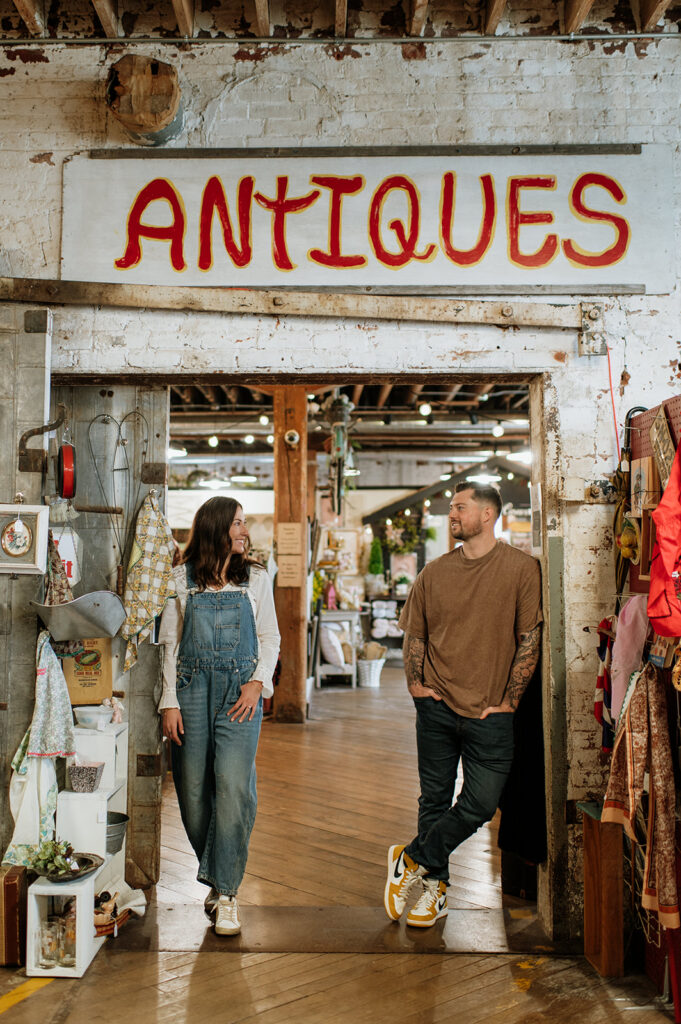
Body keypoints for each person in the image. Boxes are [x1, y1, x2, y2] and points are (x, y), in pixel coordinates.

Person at [384, 482, 542, 928]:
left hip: (492, 712)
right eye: (451, 507)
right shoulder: (433, 573)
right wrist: (416, 685)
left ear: (487, 514)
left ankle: (413, 857)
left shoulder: (520, 569)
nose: (451, 514)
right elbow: (415, 634)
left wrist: (510, 701)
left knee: (480, 803)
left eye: (460, 507)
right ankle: (433, 890)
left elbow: (529, 640)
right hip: (436, 706)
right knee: (433, 798)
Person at [159, 497, 280, 936]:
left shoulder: (258, 579)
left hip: (239, 694)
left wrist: (256, 683)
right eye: (238, 523)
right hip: (190, 691)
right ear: (215, 529)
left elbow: (270, 637)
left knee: (233, 787)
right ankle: (217, 874)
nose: (245, 530)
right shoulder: (179, 580)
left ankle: (227, 893)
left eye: (244, 523)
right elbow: (169, 646)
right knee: (191, 794)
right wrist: (169, 701)